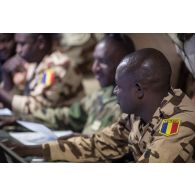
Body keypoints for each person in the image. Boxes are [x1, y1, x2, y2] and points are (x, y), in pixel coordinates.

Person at [3, 48, 195, 163]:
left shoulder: (179, 124)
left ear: (138, 90)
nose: (114, 92)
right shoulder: (137, 114)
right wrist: (34, 149)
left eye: (119, 87)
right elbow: (97, 144)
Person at [2, 34, 135, 135]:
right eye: (94, 61)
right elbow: (64, 116)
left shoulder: (129, 107)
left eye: (103, 62)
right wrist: (21, 120)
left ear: (124, 65)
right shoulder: (100, 95)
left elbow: (98, 147)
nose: (95, 68)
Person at [0, 33, 85, 117]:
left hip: (64, 126)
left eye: (22, 44)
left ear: (41, 43)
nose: (18, 50)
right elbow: (17, 99)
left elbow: (35, 109)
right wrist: (7, 75)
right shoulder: (34, 63)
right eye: (17, 44)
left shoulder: (56, 66)